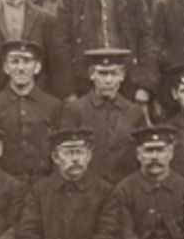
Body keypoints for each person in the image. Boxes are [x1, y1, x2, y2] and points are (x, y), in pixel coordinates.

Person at [54, 0, 155, 104]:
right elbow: (60, 47)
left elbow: (147, 42)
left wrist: (144, 86)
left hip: (127, 83)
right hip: (84, 84)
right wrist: (68, 91)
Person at [54, 47, 149, 185]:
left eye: (113, 73)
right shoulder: (75, 110)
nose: (109, 80)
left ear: (122, 75)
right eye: (103, 74)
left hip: (124, 190)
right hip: (88, 191)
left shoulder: (134, 112)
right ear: (92, 74)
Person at [0, 38, 61, 182]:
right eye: (14, 61)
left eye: (27, 61)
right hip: (4, 187)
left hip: (43, 185)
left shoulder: (53, 106)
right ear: (6, 68)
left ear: (37, 67)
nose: (21, 68)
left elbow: (59, 152)